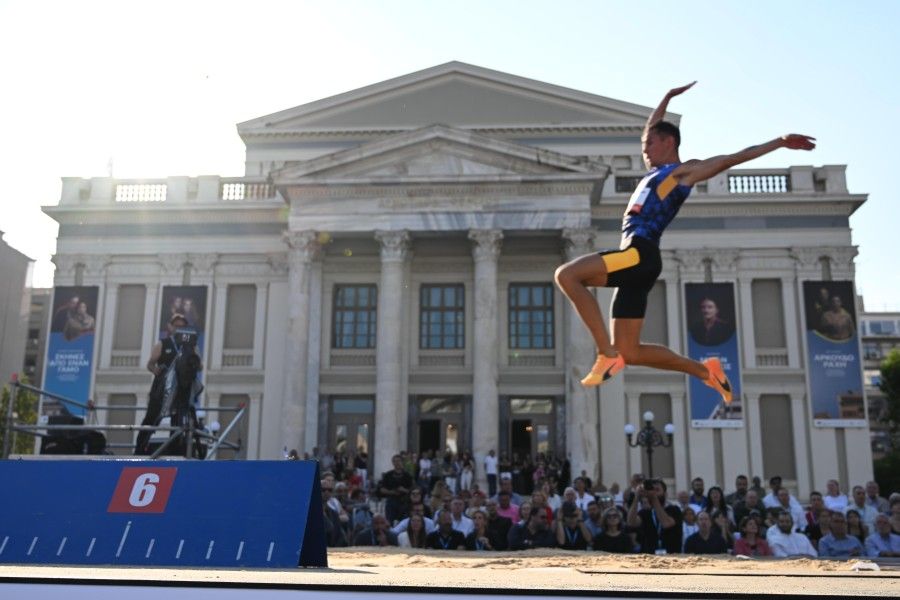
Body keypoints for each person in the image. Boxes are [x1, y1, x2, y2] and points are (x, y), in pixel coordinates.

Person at [554, 80, 814, 399]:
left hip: (639, 254)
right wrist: (665, 98)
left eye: (650, 144)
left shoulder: (681, 173)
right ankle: (707, 372)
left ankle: (606, 353)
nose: (644, 150)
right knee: (631, 352)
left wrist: (779, 142)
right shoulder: (654, 171)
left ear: (668, 142)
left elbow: (728, 159)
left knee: (567, 275)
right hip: (636, 263)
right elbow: (649, 128)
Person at [135, 313, 200, 454]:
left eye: (182, 326)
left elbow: (199, 365)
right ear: (170, 327)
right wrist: (156, 370)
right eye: (176, 326)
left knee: (179, 420)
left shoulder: (191, 346)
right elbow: (150, 364)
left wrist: (194, 360)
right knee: (151, 417)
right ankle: (139, 449)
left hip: (181, 388)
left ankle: (176, 450)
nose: (179, 329)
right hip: (162, 388)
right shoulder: (163, 343)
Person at [627, 479, 682, 554]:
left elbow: (666, 523)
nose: (654, 493)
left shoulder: (674, 510)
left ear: (665, 494)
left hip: (672, 557)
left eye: (657, 490)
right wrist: (636, 497)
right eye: (652, 490)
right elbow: (631, 522)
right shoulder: (645, 512)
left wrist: (653, 498)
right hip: (649, 558)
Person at [378, 455, 415, 524]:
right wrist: (392, 492)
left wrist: (404, 490)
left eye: (398, 461)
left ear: (402, 462)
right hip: (391, 502)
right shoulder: (388, 475)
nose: (397, 463)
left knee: (403, 523)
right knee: (389, 522)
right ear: (392, 463)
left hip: (404, 502)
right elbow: (381, 489)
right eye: (395, 461)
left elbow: (414, 491)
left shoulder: (408, 476)